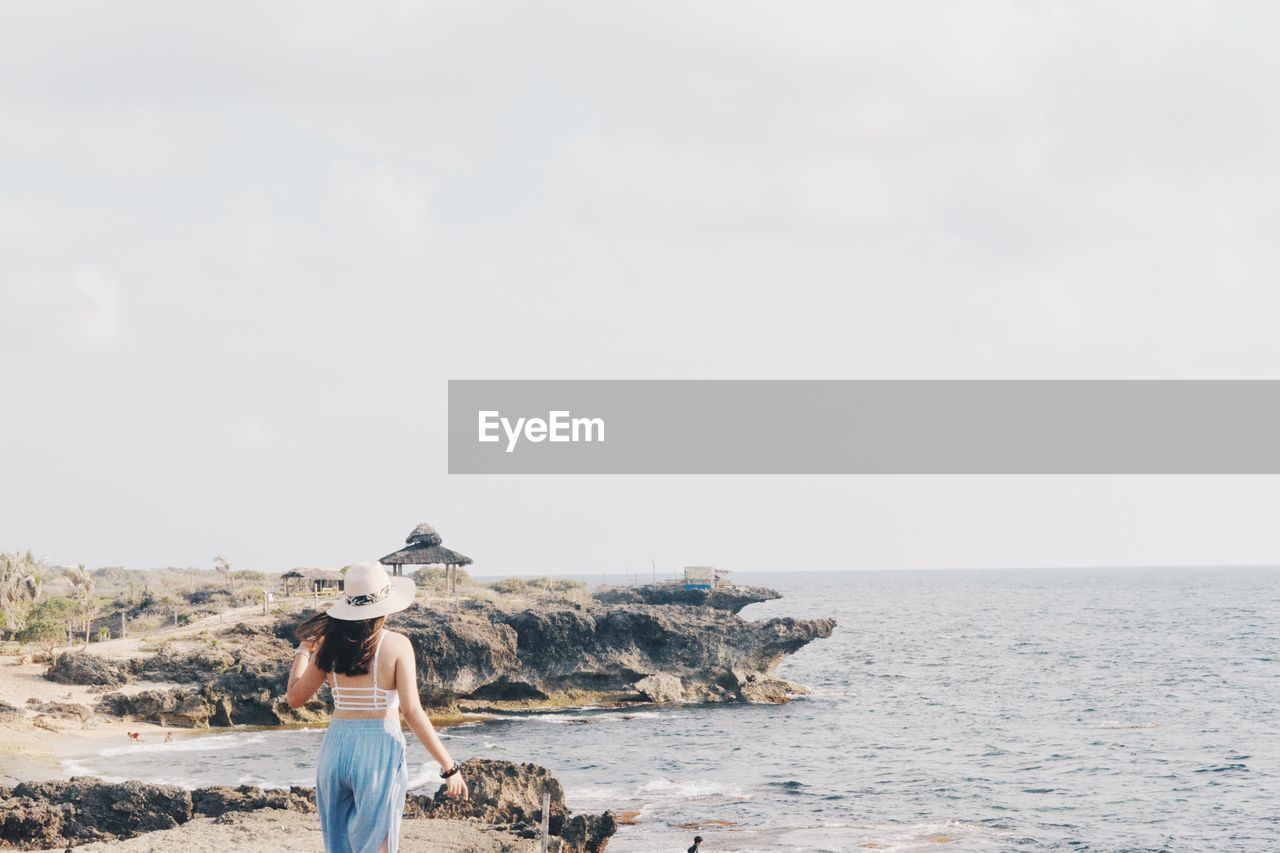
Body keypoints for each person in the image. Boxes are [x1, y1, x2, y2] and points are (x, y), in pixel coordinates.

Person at [287, 562, 468, 853]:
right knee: (378, 845)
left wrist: (302, 651)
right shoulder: (397, 645)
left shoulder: (326, 646)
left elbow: (294, 698)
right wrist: (449, 768)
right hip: (378, 749)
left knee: (338, 845)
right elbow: (411, 711)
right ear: (385, 604)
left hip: (335, 749)